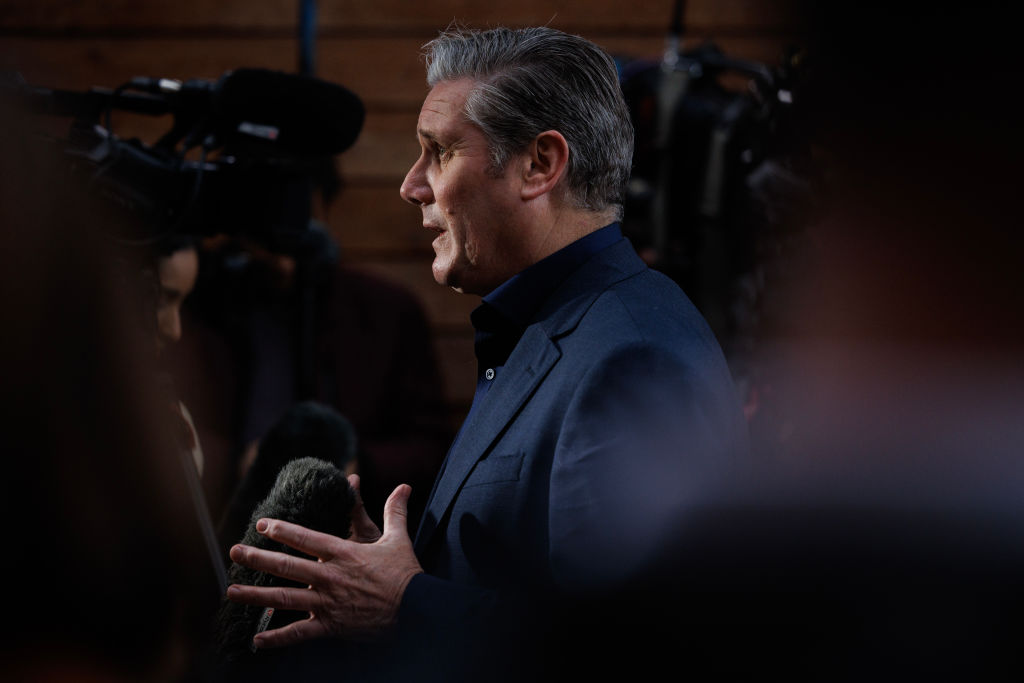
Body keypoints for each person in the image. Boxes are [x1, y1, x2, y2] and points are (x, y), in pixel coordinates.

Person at [226, 26, 748, 681]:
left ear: (540, 165)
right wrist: (387, 572)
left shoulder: (633, 357)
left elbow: (638, 650)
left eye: (439, 152)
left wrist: (404, 604)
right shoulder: (549, 324)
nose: (410, 185)